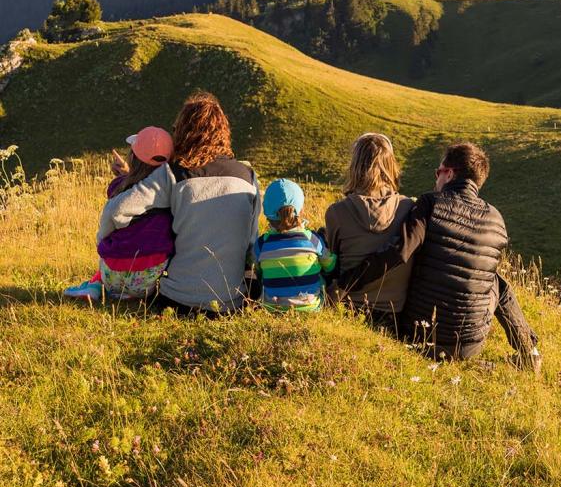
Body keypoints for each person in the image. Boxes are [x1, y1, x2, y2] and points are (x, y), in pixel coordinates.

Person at [338, 141, 542, 370]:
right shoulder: (496, 219)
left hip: (417, 333)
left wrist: (347, 283)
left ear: (450, 173)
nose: (436, 180)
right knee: (497, 283)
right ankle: (528, 350)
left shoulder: (430, 202)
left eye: (438, 172)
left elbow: (400, 253)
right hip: (470, 345)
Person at [97, 92, 260, 316]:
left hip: (176, 301)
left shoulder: (173, 173)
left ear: (184, 131)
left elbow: (116, 211)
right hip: (231, 302)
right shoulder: (248, 177)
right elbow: (251, 244)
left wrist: (103, 244)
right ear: (223, 132)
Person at [64, 126, 175, 302]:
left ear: (133, 158)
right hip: (149, 279)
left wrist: (124, 177)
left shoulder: (119, 191)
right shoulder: (172, 192)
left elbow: (103, 236)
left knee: (114, 250)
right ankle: (129, 293)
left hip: (112, 274)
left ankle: (95, 285)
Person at [324, 133, 414, 330]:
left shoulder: (337, 212)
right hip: (395, 314)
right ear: (390, 165)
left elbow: (332, 261)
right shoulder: (409, 208)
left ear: (355, 165)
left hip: (349, 308)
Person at [252, 178, 336, 312]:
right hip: (311, 308)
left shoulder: (261, 244)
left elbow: (257, 271)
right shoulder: (313, 239)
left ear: (267, 213)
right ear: (300, 209)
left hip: (271, 308)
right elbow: (330, 265)